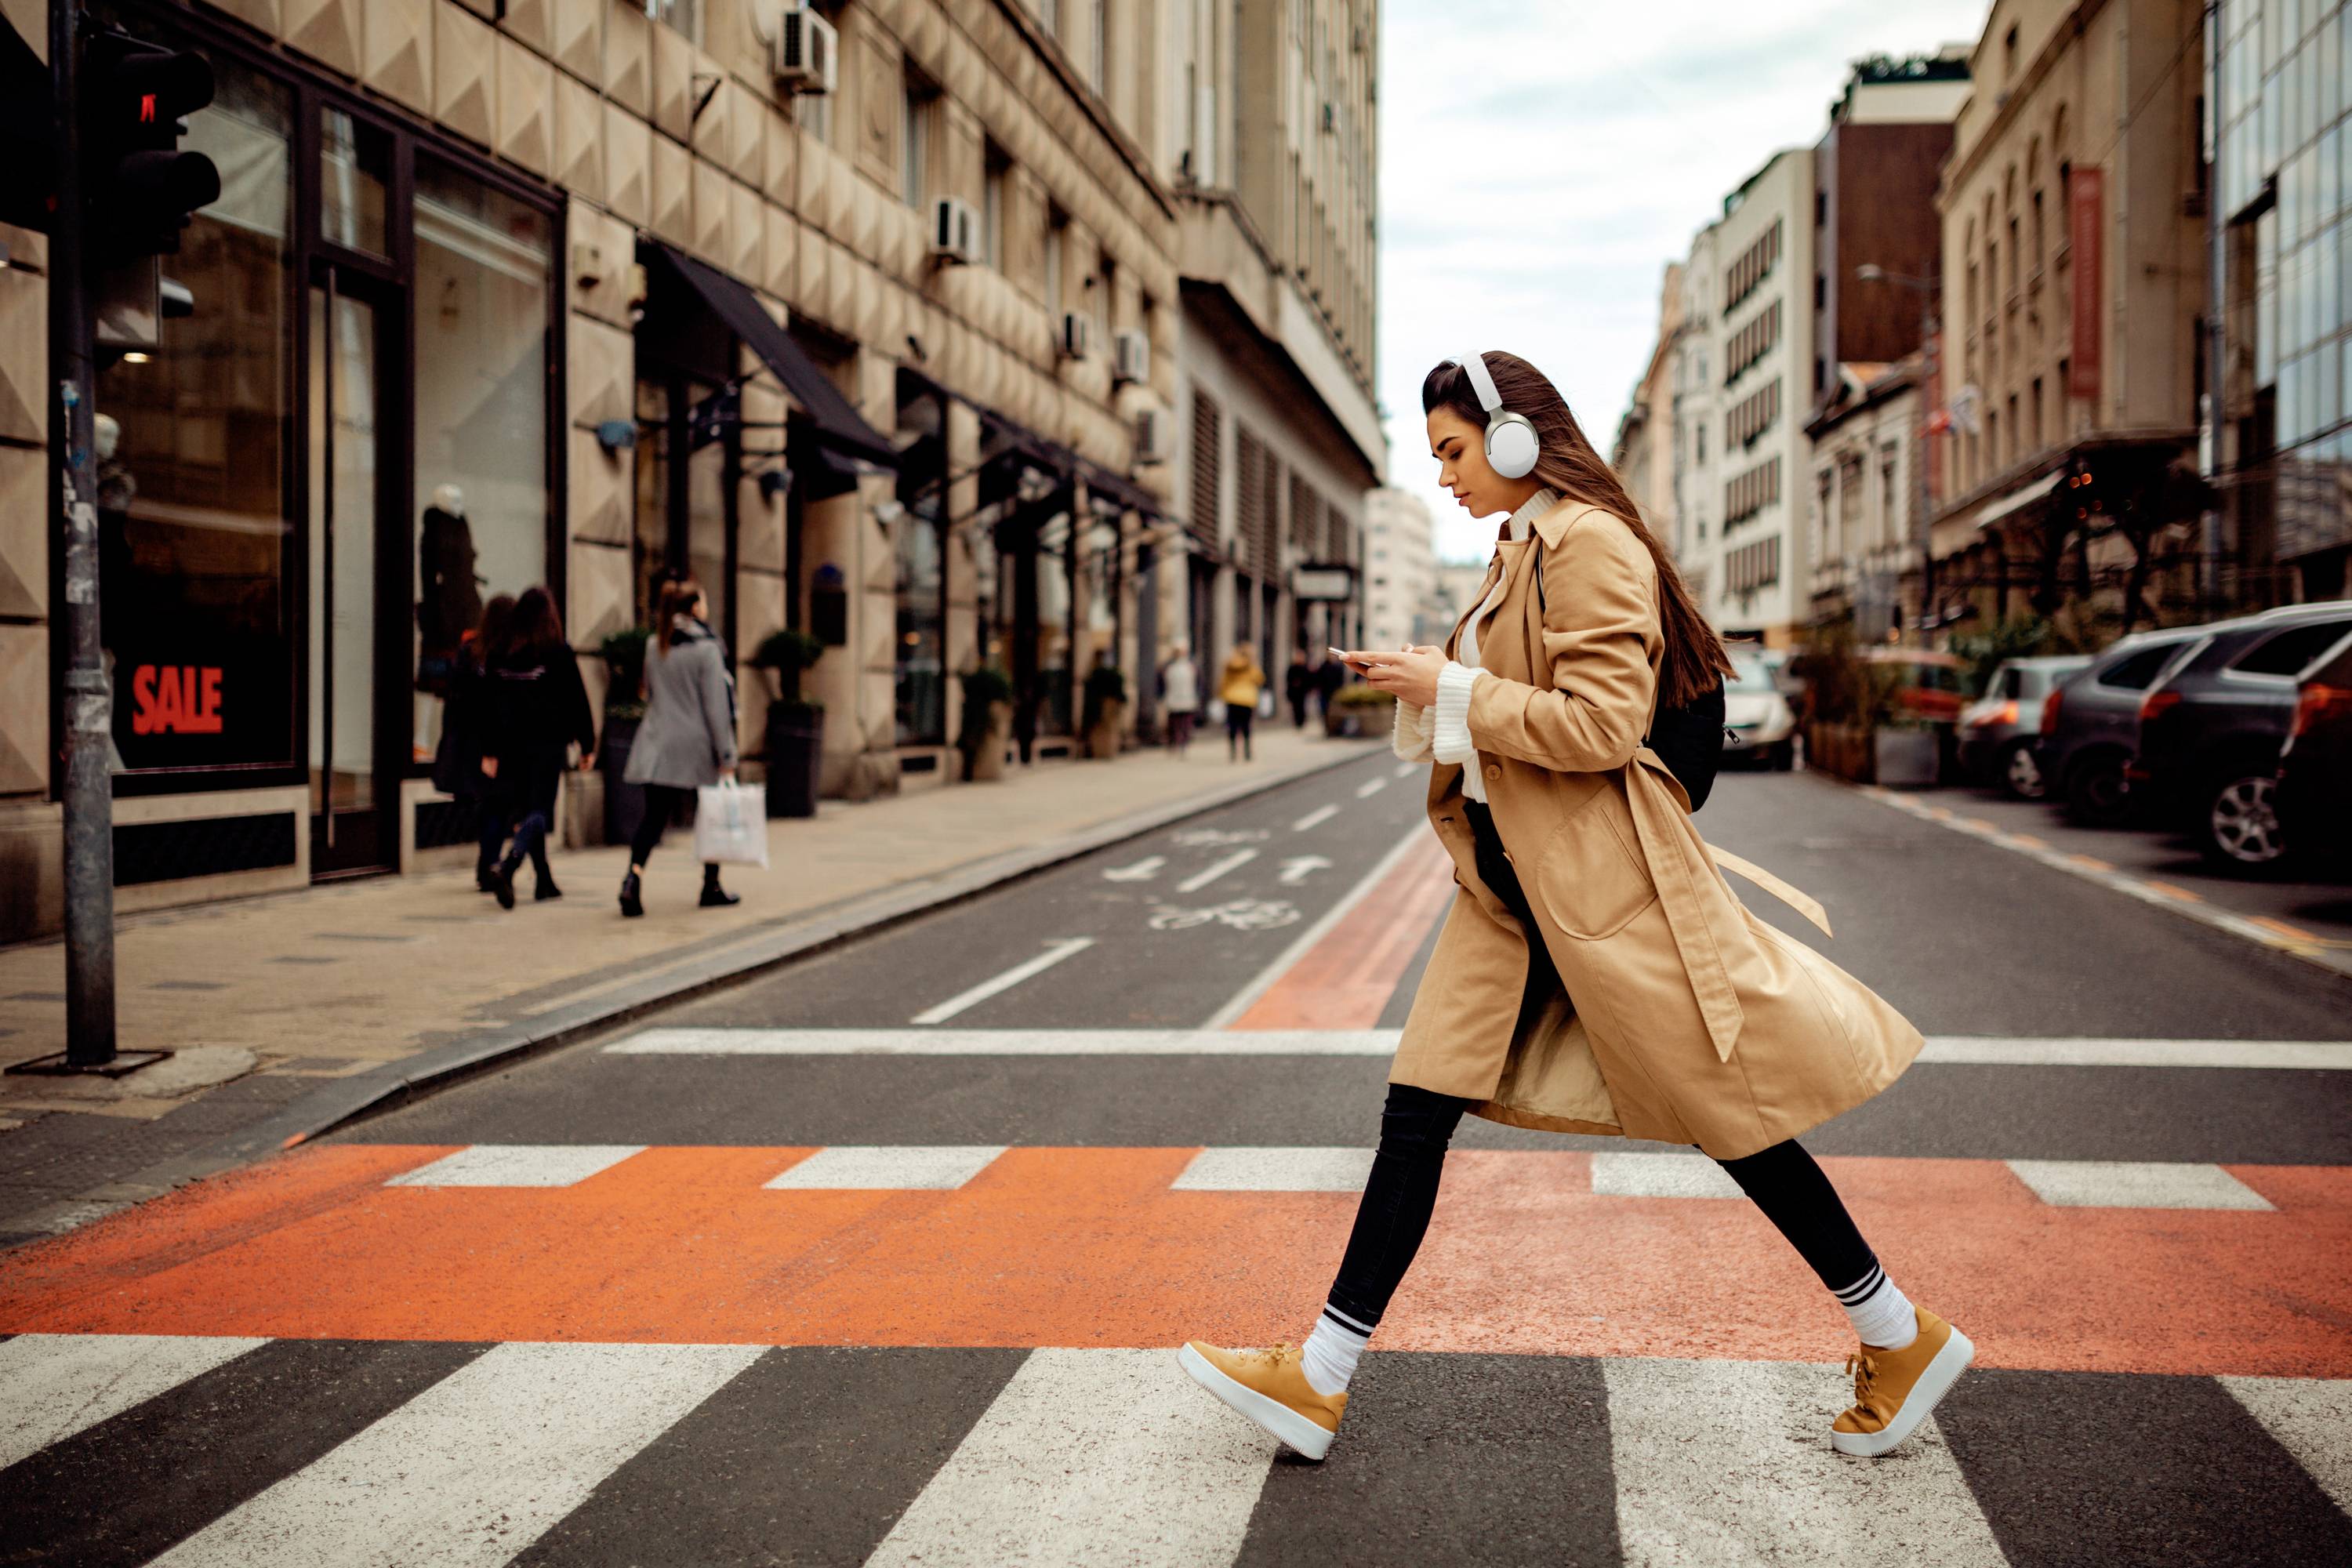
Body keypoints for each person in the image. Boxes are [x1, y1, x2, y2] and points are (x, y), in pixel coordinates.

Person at [1178, 350, 1965, 1465]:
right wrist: (1430, 683)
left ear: (1512, 439)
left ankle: (1898, 1330)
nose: (1445, 474)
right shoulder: (1521, 550)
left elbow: (1599, 726)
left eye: (1455, 451)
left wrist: (1450, 688)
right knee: (1418, 1115)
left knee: (1724, 1112)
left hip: (1592, 892)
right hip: (1513, 894)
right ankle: (1319, 1377)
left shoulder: (1590, 545)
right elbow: (1510, 717)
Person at [619, 577, 741, 918]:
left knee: (653, 818)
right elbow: (716, 708)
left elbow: (650, 694)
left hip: (658, 742)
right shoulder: (708, 649)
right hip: (696, 745)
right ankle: (711, 884)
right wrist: (727, 755)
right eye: (703, 600)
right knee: (711, 816)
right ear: (695, 608)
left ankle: (633, 877)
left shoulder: (656, 644)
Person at [481, 586, 595, 909]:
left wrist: (490, 748)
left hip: (511, 746)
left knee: (527, 813)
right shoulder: (557, 651)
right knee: (539, 812)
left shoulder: (501, 651)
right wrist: (587, 744)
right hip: (547, 744)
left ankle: (544, 880)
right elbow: (577, 699)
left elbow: (488, 704)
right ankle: (510, 865)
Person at [432, 593, 514, 893]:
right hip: (492, 744)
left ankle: (487, 866)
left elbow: (454, 699)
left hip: (468, 741)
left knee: (488, 805)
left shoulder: (469, 651)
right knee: (497, 806)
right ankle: (489, 866)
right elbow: (497, 705)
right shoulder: (503, 654)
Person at [1218, 645, 1265, 761]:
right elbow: (1260, 679)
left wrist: (1222, 695)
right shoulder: (1250, 666)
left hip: (1232, 698)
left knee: (1232, 726)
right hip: (1247, 699)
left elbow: (1224, 682)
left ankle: (1233, 752)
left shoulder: (1230, 665)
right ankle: (1247, 752)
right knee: (1246, 726)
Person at [1160, 644, 1200, 755]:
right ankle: (1173, 743)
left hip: (1187, 698)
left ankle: (1184, 744)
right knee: (1173, 723)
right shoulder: (1168, 666)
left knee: (1186, 724)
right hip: (1173, 698)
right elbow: (1162, 683)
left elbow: (1197, 683)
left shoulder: (1191, 666)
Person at [1284, 650, 1315, 729]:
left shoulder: (1305, 668)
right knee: (1295, 707)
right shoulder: (1292, 667)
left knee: (1302, 707)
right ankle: (1297, 722)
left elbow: (1309, 679)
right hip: (1294, 692)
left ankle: (1301, 722)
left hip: (1302, 691)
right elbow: (1288, 678)